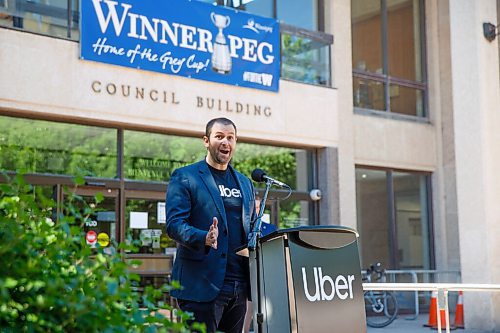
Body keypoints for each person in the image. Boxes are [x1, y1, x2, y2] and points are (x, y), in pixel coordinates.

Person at [165, 117, 256, 333]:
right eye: (219, 136)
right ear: (206, 141)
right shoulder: (185, 177)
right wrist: (202, 237)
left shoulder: (245, 183)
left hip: (238, 285)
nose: (226, 142)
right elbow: (174, 224)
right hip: (202, 284)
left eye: (231, 138)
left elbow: (249, 226)